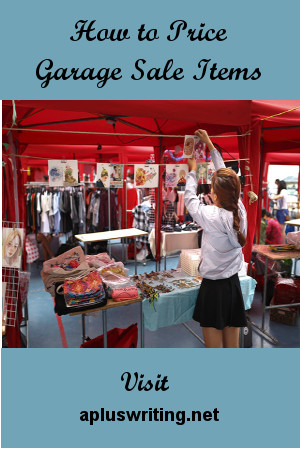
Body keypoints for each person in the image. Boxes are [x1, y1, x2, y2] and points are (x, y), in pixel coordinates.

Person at [184, 129, 247, 348]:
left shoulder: (211, 215)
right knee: (233, 348)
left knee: (214, 350)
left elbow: (190, 199)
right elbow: (226, 176)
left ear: (216, 193)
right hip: (233, 285)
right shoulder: (240, 210)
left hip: (213, 289)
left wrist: (192, 172)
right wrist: (210, 144)